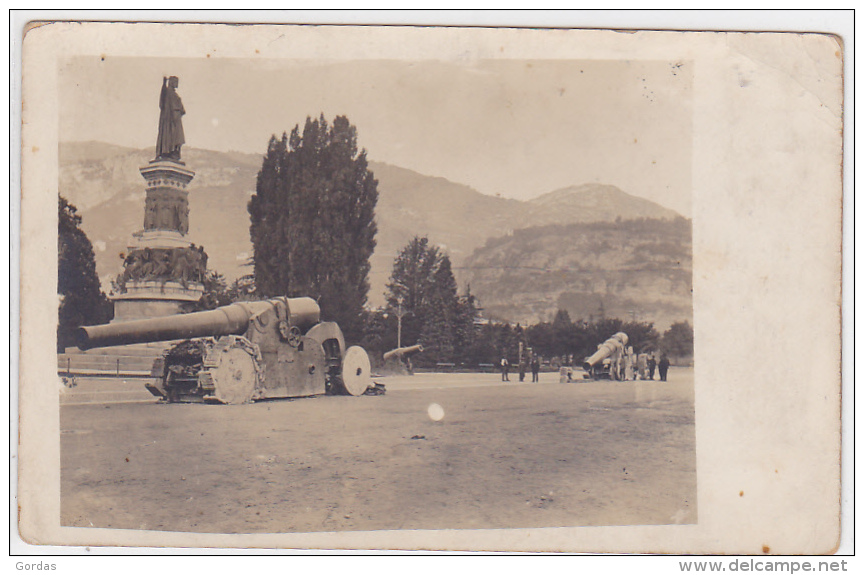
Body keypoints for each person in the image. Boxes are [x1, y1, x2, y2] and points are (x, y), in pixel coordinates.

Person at [156, 76, 186, 161]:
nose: (177, 84)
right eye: (176, 82)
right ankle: (168, 152)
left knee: (177, 139)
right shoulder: (168, 93)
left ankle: (174, 152)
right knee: (170, 137)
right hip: (170, 121)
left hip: (176, 121)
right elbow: (162, 101)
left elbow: (182, 110)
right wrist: (164, 84)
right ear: (172, 82)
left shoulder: (175, 95)